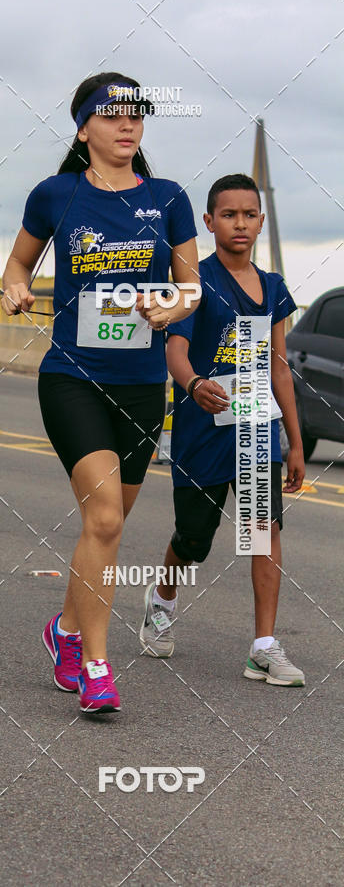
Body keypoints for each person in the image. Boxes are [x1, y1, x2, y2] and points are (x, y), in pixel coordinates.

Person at [2, 72, 200, 713]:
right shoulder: (54, 194)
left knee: (106, 529)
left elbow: (192, 285)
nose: (127, 125)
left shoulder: (168, 197)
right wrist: (13, 287)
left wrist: (174, 307)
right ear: (84, 127)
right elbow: (18, 262)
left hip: (142, 386)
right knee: (106, 518)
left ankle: (62, 630)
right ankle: (95, 666)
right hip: (72, 379)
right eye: (112, 115)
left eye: (136, 115)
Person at [139, 173, 306, 686]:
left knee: (263, 532)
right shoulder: (196, 282)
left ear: (261, 221)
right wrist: (192, 385)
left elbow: (279, 367)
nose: (240, 223)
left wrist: (295, 442)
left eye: (249, 214)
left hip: (257, 427)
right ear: (209, 223)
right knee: (195, 539)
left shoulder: (273, 287)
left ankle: (263, 646)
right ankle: (161, 597)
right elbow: (176, 350)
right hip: (203, 426)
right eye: (228, 214)